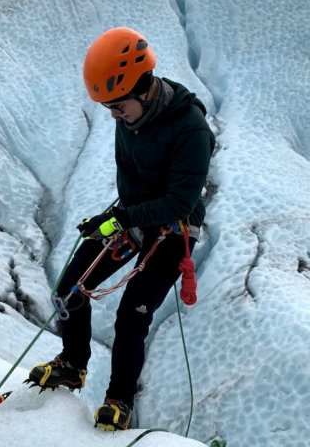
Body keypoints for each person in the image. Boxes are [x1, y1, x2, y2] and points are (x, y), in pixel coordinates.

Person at [26, 27, 215, 431]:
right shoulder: (131, 116)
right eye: (108, 107)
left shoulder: (191, 129)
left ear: (144, 86)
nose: (113, 115)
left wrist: (121, 220)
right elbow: (131, 179)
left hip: (173, 231)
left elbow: (179, 202)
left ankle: (119, 400)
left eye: (117, 105)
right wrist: (114, 219)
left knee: (132, 316)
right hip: (133, 217)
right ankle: (73, 364)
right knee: (70, 288)